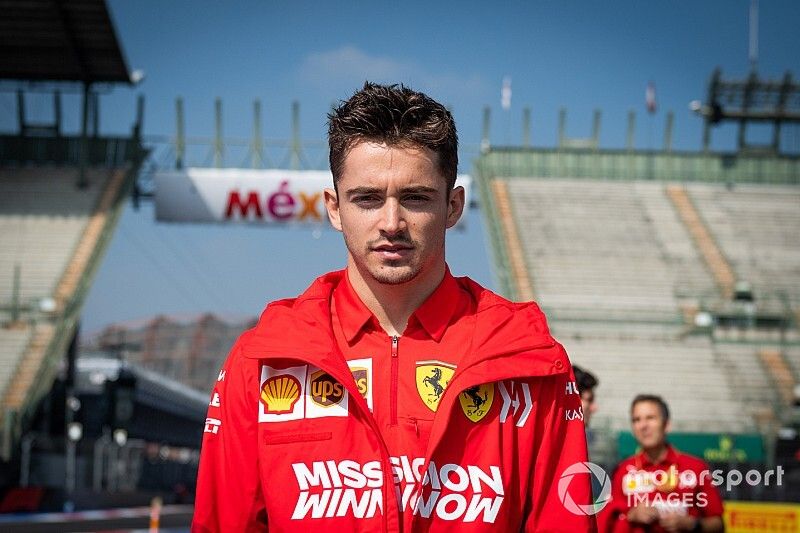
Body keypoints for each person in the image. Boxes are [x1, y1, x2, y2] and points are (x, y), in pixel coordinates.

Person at [192, 82, 593, 532]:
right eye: (367, 198)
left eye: (415, 198)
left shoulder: (529, 359)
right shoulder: (262, 360)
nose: (391, 223)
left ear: (453, 206)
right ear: (334, 208)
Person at [598, 395, 724, 533]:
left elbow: (718, 524)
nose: (643, 426)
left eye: (650, 418)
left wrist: (692, 524)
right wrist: (631, 515)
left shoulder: (695, 467)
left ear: (666, 425)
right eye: (637, 420)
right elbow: (607, 519)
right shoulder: (623, 470)